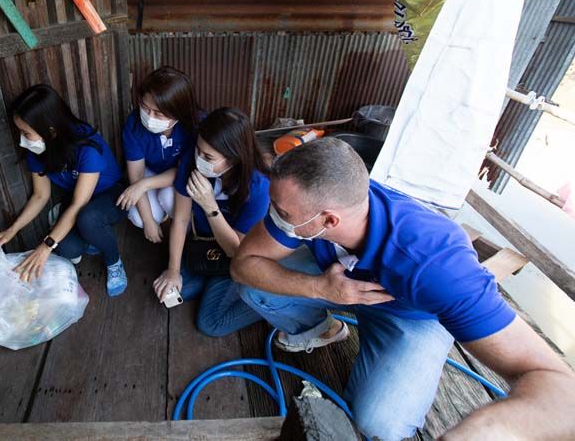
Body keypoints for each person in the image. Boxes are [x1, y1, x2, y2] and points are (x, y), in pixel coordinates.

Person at [232, 138, 575, 440]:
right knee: (253, 288)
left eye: (280, 211)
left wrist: (489, 430)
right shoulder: (306, 204)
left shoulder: (439, 266)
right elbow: (244, 264)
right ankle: (325, 330)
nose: (273, 215)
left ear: (329, 220)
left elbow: (562, 393)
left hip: (412, 317)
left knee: (379, 423)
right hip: (335, 282)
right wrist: (320, 287)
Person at [0, 84, 128, 296]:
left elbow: (79, 204)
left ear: (51, 131)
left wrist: (46, 246)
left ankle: (114, 262)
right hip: (77, 198)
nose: (22, 140)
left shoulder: (88, 147)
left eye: (26, 133)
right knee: (68, 249)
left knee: (88, 218)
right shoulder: (37, 148)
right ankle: (91, 235)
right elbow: (41, 195)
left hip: (111, 195)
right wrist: (13, 229)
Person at [153, 108, 269, 336]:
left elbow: (235, 250)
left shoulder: (257, 186)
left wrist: (210, 207)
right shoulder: (192, 161)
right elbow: (181, 218)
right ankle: (212, 286)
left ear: (234, 158)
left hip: (236, 258)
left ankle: (267, 300)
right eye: (198, 150)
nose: (199, 160)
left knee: (210, 324)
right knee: (173, 292)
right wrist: (173, 269)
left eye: (208, 157)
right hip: (204, 244)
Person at [116, 67, 201, 244]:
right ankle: (161, 220)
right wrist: (148, 222)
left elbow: (184, 171)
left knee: (170, 199)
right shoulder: (134, 125)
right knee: (139, 217)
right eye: (145, 108)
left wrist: (143, 185)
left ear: (179, 112)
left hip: (182, 175)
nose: (149, 117)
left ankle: (186, 236)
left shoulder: (193, 127)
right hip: (152, 170)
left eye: (158, 113)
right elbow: (136, 174)